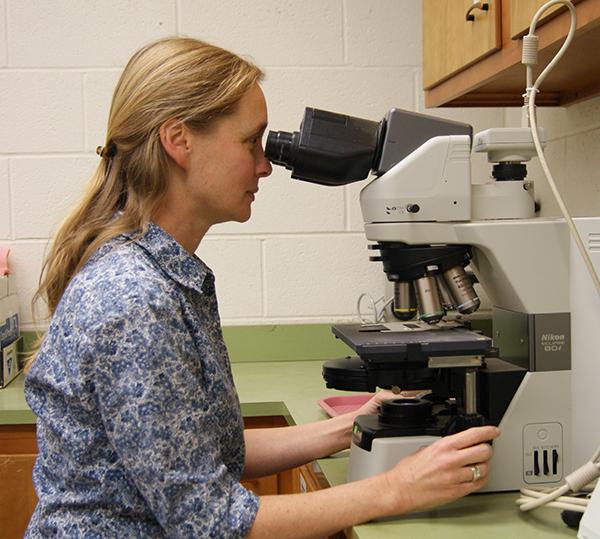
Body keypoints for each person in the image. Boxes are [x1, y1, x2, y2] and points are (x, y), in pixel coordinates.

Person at [24, 37, 499, 538]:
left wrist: (349, 426)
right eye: (251, 141)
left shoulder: (161, 274)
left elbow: (198, 453)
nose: (265, 165)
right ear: (178, 140)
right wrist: (398, 487)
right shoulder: (136, 299)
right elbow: (212, 523)